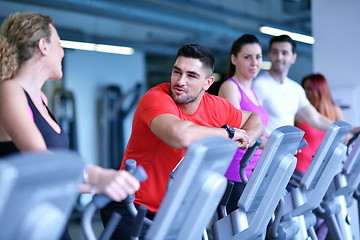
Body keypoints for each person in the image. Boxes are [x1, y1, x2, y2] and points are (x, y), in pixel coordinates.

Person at [100, 43, 265, 239]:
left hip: (174, 211)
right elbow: (181, 135)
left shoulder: (215, 106)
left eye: (191, 76)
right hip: (132, 207)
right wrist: (228, 133)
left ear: (207, 82)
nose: (180, 81)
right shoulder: (156, 99)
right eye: (177, 72)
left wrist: (247, 138)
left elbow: (255, 119)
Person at [0, 11, 140, 240]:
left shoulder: (41, 100)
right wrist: (99, 176)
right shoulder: (10, 90)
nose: (63, 52)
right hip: (21, 227)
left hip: (51, 221)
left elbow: (54, 178)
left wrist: (103, 186)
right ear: (43, 46)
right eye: (60, 44)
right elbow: (42, 162)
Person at [217, 34, 268, 213]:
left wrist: (283, 143)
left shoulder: (253, 91)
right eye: (247, 57)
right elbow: (240, 133)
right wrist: (276, 144)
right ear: (234, 59)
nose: (254, 62)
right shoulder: (230, 87)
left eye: (258, 57)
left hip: (253, 172)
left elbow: (261, 132)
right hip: (235, 174)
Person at [252, 35, 334, 136]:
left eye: (284, 53)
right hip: (265, 150)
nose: (279, 57)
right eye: (275, 52)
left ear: (293, 57)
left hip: (287, 150)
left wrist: (348, 130)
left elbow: (315, 118)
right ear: (269, 54)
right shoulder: (258, 85)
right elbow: (251, 124)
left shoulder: (296, 89)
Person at [295, 73, 345, 175]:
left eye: (309, 88)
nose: (306, 92)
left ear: (320, 90)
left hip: (324, 169)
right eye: (304, 88)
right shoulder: (300, 113)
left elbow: (345, 138)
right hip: (301, 168)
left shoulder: (335, 111)